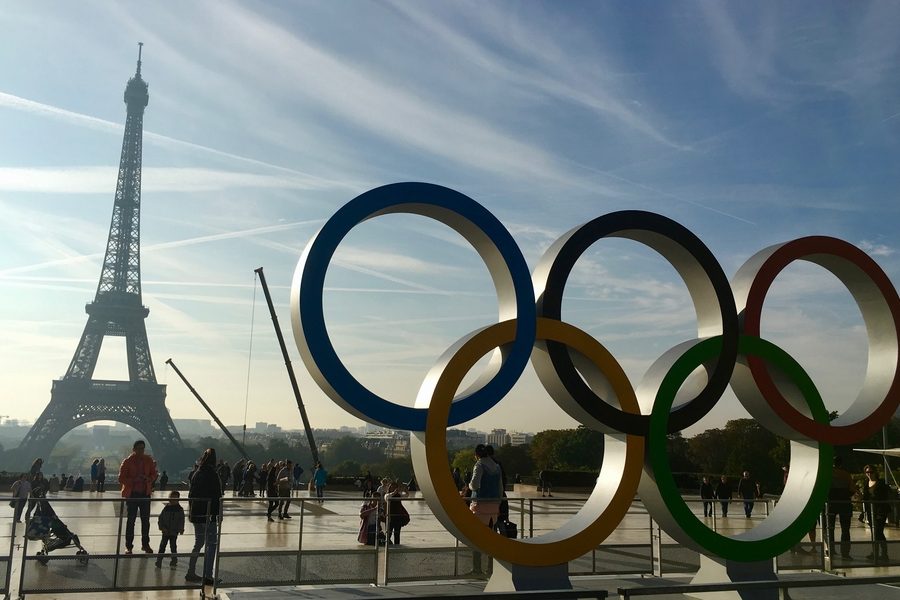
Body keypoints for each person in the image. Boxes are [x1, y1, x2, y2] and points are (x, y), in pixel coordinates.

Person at [185, 448, 224, 585]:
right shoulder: (213, 475)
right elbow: (217, 496)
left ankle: (191, 571)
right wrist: (218, 514)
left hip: (197, 514)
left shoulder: (197, 473)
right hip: (209, 515)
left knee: (198, 543)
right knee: (211, 544)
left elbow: (191, 494)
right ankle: (208, 575)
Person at [118, 439, 158, 554]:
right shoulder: (127, 461)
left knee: (145, 521)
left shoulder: (148, 460)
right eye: (139, 448)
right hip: (133, 494)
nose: (141, 450)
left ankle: (145, 545)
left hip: (144, 493)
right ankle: (129, 546)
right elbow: (121, 478)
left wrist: (148, 479)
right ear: (134, 449)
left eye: (143, 448)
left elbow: (154, 474)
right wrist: (134, 480)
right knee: (131, 521)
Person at [465, 444, 503, 529]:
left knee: (477, 531)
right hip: (494, 504)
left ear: (477, 455)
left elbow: (474, 485)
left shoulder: (479, 465)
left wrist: (469, 485)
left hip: (480, 504)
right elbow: (500, 487)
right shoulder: (497, 467)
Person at [827, 456, 856, 559]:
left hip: (830, 504)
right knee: (845, 529)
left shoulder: (827, 474)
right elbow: (852, 489)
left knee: (829, 528)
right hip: (844, 503)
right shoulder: (846, 474)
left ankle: (830, 551)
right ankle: (845, 553)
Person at [862, 464, 890, 563]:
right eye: (867, 472)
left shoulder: (881, 483)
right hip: (870, 511)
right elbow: (865, 498)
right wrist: (863, 512)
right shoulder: (866, 483)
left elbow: (885, 496)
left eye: (871, 472)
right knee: (875, 532)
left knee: (878, 531)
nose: (869, 474)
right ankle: (876, 552)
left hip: (880, 511)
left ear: (875, 472)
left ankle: (883, 553)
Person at [155, 490, 185, 569]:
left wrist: (181, 529)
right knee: (162, 546)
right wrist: (162, 527)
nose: (173, 500)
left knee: (173, 546)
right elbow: (161, 518)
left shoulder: (179, 509)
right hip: (166, 531)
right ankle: (159, 560)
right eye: (171, 498)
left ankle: (174, 560)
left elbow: (181, 520)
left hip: (173, 531)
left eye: (175, 498)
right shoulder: (166, 508)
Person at [386, 481, 410, 545]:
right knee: (389, 533)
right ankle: (388, 545)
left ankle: (397, 546)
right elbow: (387, 497)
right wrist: (394, 492)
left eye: (394, 486)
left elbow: (406, 495)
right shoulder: (387, 494)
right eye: (391, 486)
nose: (392, 487)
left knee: (397, 533)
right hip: (390, 516)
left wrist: (406, 490)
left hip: (398, 516)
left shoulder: (399, 494)